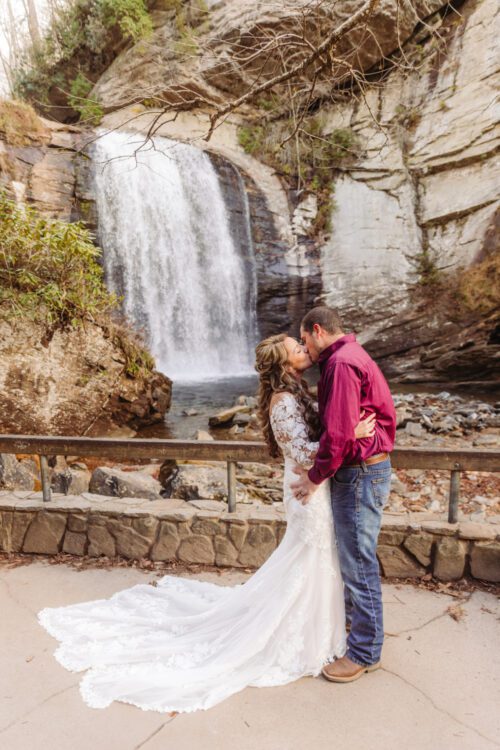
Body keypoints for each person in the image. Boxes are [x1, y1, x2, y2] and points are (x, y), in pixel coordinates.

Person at [37, 333, 375, 714]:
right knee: (309, 556)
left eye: (301, 342)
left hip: (314, 487)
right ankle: (303, 638)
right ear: (283, 363)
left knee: (315, 557)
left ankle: (323, 631)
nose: (302, 346)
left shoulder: (296, 391)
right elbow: (299, 451)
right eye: (295, 347)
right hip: (305, 489)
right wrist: (350, 437)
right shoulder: (282, 401)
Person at [291, 307, 396, 684]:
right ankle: (359, 635)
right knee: (356, 556)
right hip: (367, 468)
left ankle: (365, 652)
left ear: (317, 331)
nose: (306, 349)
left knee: (358, 562)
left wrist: (315, 478)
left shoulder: (340, 365)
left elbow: (337, 436)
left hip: (360, 472)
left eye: (305, 341)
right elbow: (344, 428)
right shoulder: (352, 355)